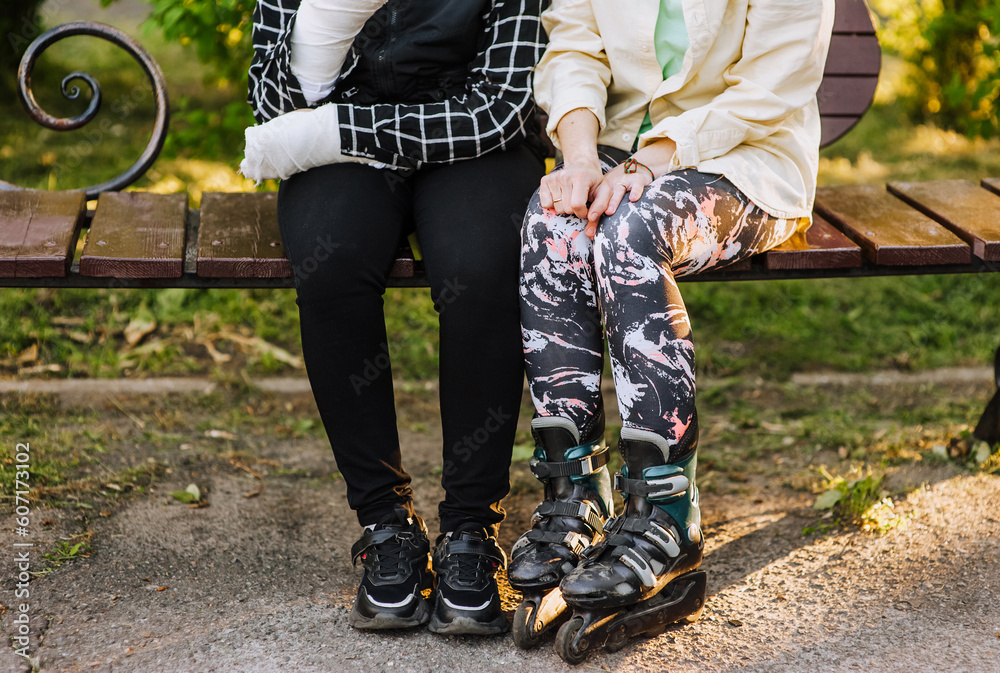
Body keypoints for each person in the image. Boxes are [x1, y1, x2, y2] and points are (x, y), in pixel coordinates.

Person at [507, 0, 834, 660]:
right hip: (615, 148)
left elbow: (776, 78)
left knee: (631, 235)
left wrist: (655, 159)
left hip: (746, 159)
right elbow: (574, 44)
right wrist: (577, 158)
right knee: (550, 230)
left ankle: (665, 516)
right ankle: (573, 495)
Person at [244, 0, 547, 635]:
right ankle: (386, 523)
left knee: (481, 272)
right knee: (332, 269)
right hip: (335, 139)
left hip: (470, 140)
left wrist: (347, 131)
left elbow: (500, 106)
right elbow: (273, 100)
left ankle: (470, 528)